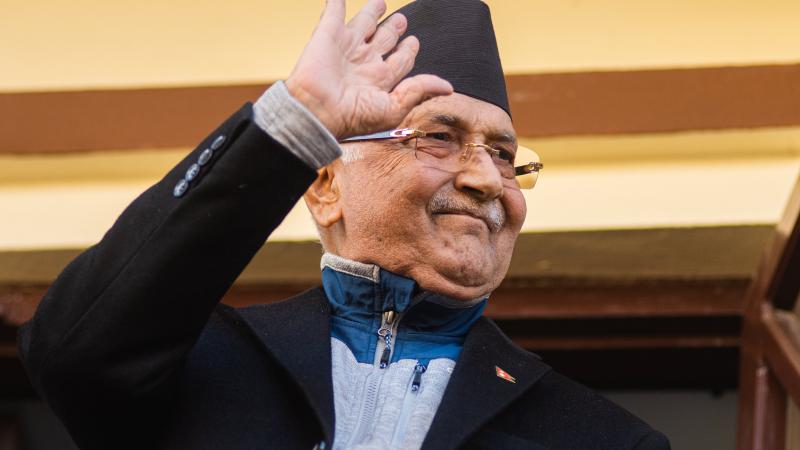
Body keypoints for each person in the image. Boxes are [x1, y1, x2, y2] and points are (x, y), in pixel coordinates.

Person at [18, 0, 671, 449]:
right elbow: (72, 352)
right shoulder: (201, 367)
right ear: (326, 185)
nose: (485, 180)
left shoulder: (599, 435)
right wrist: (292, 124)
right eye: (439, 138)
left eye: (503, 154)